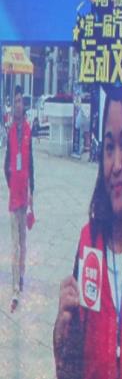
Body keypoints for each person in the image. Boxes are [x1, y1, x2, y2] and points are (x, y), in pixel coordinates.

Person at [53, 84, 122, 379]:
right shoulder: (87, 242)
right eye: (109, 147)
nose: (116, 165)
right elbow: (69, 364)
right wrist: (61, 329)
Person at [4, 85, 34, 312]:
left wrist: (32, 190)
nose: (17, 105)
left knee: (23, 242)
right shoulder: (10, 131)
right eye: (14, 102)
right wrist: (11, 181)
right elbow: (6, 163)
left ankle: (21, 276)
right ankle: (15, 287)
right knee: (15, 244)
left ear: (24, 105)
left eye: (19, 101)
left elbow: (31, 163)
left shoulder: (28, 131)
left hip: (25, 195)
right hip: (14, 196)